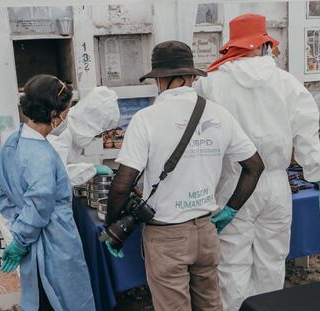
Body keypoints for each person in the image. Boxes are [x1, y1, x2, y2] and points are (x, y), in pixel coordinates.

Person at [105, 40, 265, 311]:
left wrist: (112, 228)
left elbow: (122, 185)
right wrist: (230, 210)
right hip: (206, 231)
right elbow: (255, 166)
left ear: (160, 80)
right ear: (191, 76)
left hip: (166, 236)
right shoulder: (219, 114)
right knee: (210, 305)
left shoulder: (147, 119)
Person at [194, 14, 320, 311]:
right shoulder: (286, 82)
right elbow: (306, 134)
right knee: (272, 261)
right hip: (275, 183)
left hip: (233, 184)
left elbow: (198, 139)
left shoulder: (212, 84)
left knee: (232, 265)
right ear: (264, 44)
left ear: (233, 46)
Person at [0, 74, 95, 311]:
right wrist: (21, 239)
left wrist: (17, 229)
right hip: (55, 244)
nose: (66, 118)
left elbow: (3, 192)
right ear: (54, 114)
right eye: (66, 113)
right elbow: (39, 205)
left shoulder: (12, 142)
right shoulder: (42, 155)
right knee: (63, 300)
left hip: (29, 239)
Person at [0, 86, 120, 243]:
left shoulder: (71, 128)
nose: (97, 137)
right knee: (25, 248)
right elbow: (55, 175)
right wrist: (91, 169)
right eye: (98, 132)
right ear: (91, 124)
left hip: (28, 199)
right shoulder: (59, 133)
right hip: (17, 201)